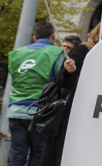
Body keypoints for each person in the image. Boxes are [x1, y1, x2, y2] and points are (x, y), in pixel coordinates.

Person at [5, 21, 63, 166]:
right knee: (39, 155)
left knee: (17, 155)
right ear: (53, 36)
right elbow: (61, 81)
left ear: (34, 37)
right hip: (41, 112)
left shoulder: (16, 54)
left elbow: (15, 79)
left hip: (15, 111)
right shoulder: (56, 53)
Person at [38, 33, 90, 166]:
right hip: (50, 109)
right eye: (64, 47)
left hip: (52, 109)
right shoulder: (63, 56)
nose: (65, 51)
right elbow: (59, 79)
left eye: (69, 47)